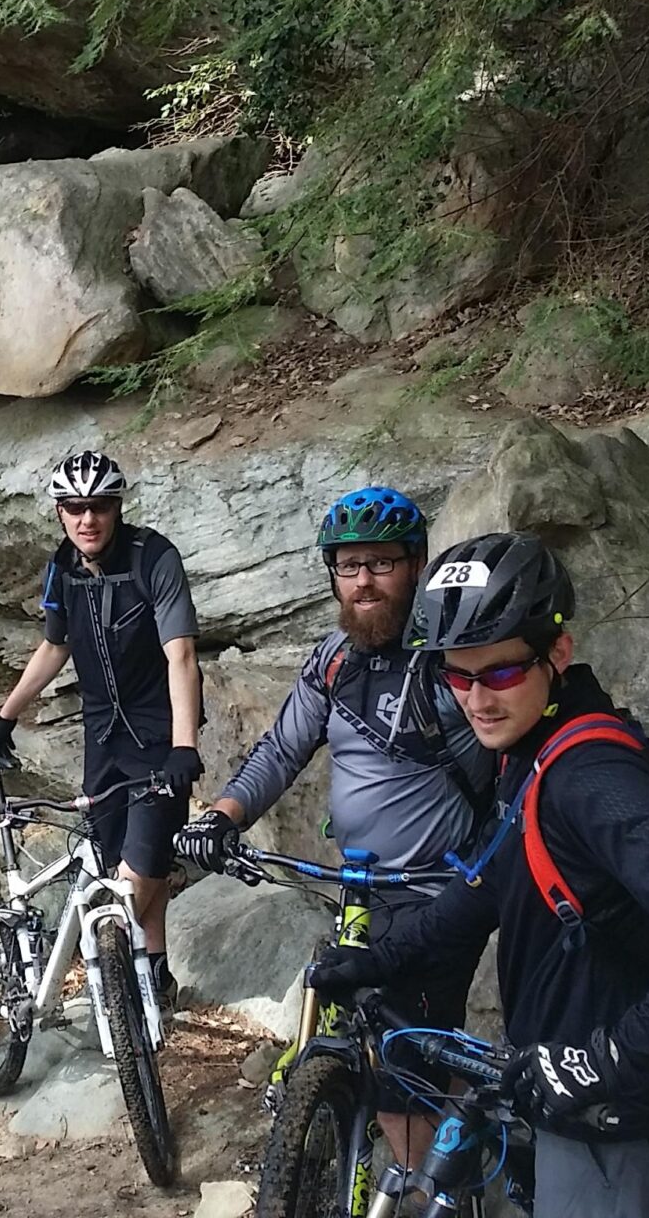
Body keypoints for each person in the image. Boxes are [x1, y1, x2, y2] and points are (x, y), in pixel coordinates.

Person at [309, 531, 649, 1218]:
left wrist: (606, 1060)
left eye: (498, 673)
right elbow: (489, 886)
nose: (476, 699)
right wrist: (378, 959)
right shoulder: (532, 752)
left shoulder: (590, 776)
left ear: (558, 651)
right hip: (576, 1118)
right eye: (454, 675)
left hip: (627, 1137)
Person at [169, 485, 495, 1170]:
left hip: (438, 893)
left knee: (401, 1064)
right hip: (357, 889)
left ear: (414, 565)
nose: (364, 581)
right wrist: (223, 816)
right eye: (349, 566)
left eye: (381, 563)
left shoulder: (450, 662)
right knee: (374, 1037)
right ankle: (440, 1141)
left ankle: (419, 1189)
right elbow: (284, 749)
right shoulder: (334, 659)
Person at [0, 451, 204, 1009]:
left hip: (157, 740)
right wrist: (4, 718)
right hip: (101, 741)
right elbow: (55, 645)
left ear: (117, 507)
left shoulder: (154, 558)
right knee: (120, 872)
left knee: (138, 873)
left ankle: (123, 997)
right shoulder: (61, 569)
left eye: (99, 507)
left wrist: (184, 746)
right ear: (60, 513)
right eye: (75, 508)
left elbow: (181, 656)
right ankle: (155, 989)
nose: (88, 519)